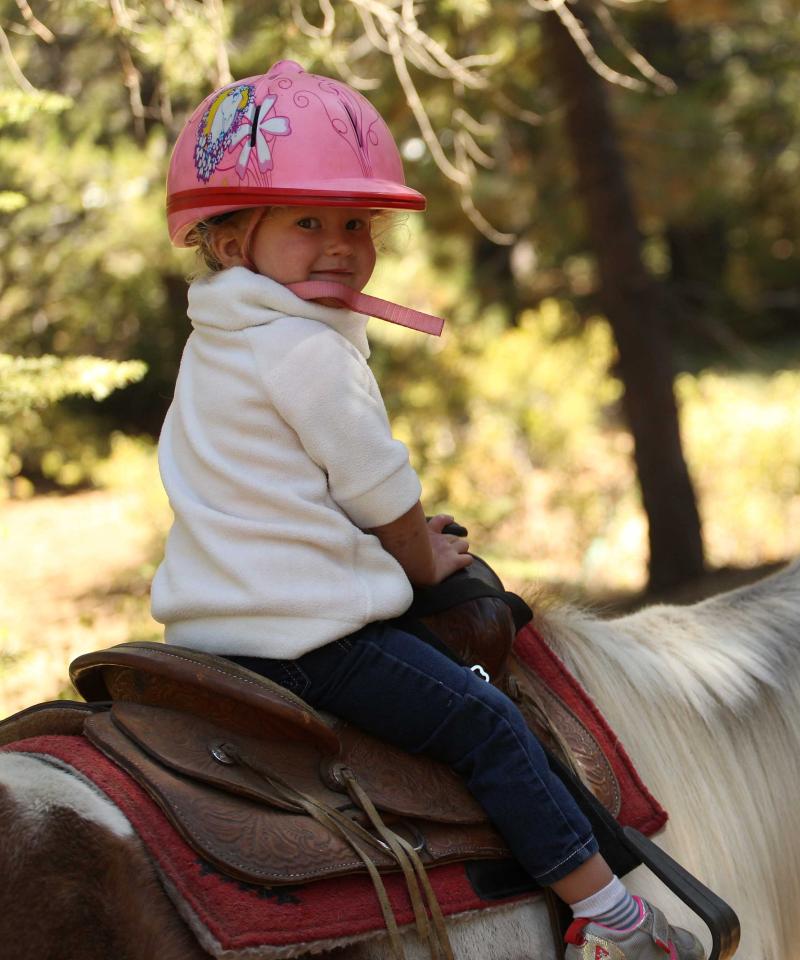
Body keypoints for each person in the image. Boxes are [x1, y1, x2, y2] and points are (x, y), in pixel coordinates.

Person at [152, 59, 701, 960]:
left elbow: (285, 487)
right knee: (486, 726)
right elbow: (376, 485)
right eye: (306, 222)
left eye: (356, 223)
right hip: (307, 639)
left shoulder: (217, 338)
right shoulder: (304, 347)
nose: (339, 244)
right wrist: (417, 558)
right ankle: (610, 917)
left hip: (211, 630)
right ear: (228, 241)